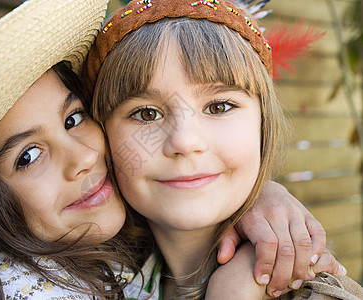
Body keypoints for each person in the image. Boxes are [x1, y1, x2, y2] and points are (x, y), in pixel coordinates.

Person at [0, 0, 344, 299]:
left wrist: (263, 193)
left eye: (73, 119)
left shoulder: (123, 258)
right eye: (146, 115)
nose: (185, 141)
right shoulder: (15, 286)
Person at [85, 0, 363, 298]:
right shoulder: (87, 281)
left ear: (262, 124)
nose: (184, 141)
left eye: (219, 106)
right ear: (102, 136)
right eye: (147, 114)